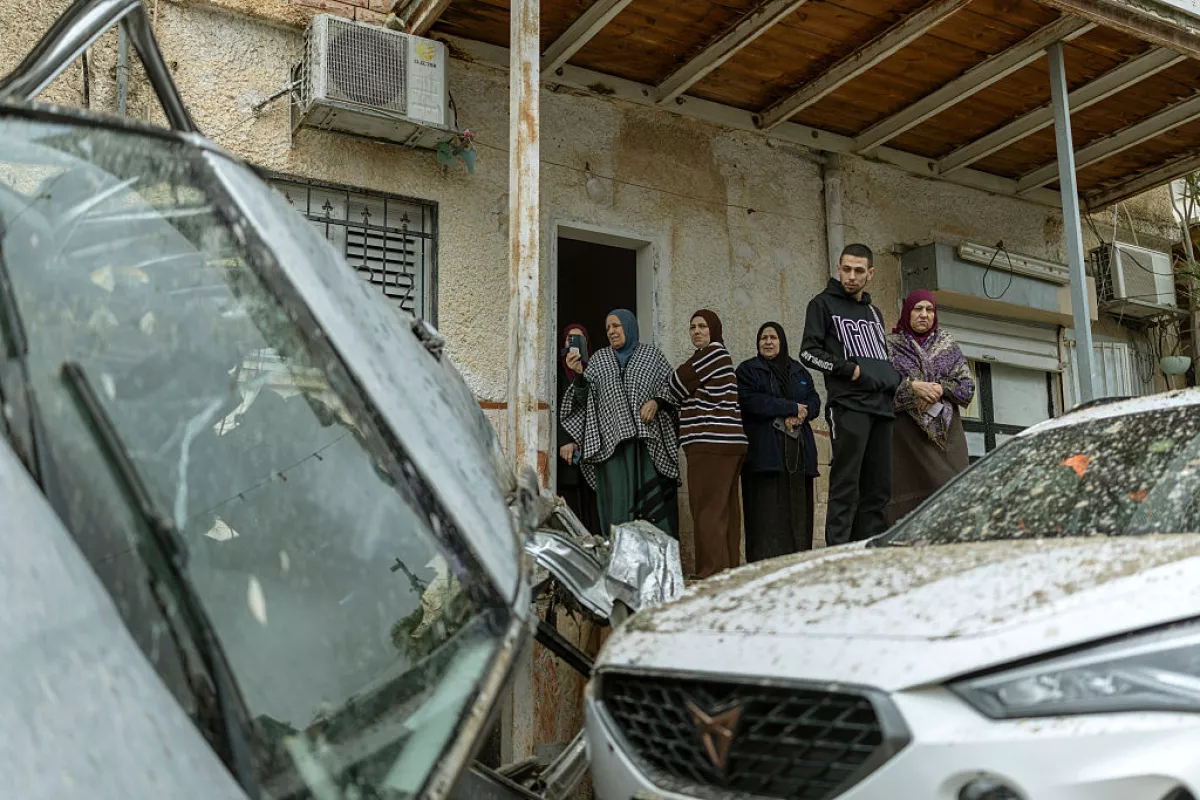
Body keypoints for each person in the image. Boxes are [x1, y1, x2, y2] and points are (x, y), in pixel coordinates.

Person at [800, 243, 900, 546]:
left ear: (870, 274)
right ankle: (838, 556)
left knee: (879, 489)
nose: (852, 276)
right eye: (846, 269)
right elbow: (808, 353)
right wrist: (850, 370)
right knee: (846, 484)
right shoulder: (822, 304)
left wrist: (889, 379)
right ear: (838, 269)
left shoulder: (874, 312)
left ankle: (867, 553)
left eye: (859, 271)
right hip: (848, 405)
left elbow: (879, 355)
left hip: (882, 408)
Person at [560, 309, 680, 538]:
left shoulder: (652, 356)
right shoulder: (598, 359)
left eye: (616, 326)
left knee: (651, 508)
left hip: (646, 449)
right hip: (610, 451)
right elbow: (585, 402)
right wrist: (578, 375)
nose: (611, 331)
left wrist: (656, 402)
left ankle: (653, 564)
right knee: (617, 509)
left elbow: (672, 389)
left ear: (630, 326)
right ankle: (619, 562)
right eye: (607, 328)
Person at [667, 310, 747, 578]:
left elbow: (675, 385)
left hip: (710, 441)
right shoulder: (716, 357)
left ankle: (711, 572)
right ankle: (728, 569)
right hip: (726, 443)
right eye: (692, 327)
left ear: (714, 330)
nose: (697, 331)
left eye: (702, 326)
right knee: (725, 510)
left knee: (706, 510)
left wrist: (686, 392)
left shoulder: (712, 353)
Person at [886, 290, 975, 524]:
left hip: (947, 435)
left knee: (952, 495)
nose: (924, 315)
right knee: (909, 505)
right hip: (906, 436)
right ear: (907, 312)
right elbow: (881, 388)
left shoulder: (948, 345)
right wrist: (913, 390)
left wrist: (938, 389)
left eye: (929, 310)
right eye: (918, 309)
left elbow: (967, 388)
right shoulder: (890, 346)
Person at [736, 322, 821, 560]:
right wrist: (790, 407)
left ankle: (798, 562)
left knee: (797, 510)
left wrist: (801, 413)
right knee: (766, 513)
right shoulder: (748, 370)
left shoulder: (798, 371)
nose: (768, 342)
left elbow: (814, 400)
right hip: (765, 454)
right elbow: (750, 401)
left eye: (773, 337)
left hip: (799, 451)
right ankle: (764, 564)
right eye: (763, 338)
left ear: (781, 341)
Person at [556, 323, 602, 534]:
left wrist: (581, 373)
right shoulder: (556, 372)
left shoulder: (595, 372)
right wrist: (563, 440)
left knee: (593, 500)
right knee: (570, 500)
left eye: (579, 339)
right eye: (569, 339)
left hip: (592, 446)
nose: (573, 344)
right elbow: (553, 408)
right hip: (568, 452)